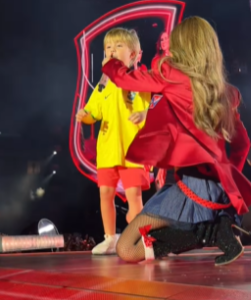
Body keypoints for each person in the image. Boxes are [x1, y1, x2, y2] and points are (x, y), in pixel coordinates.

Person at [102, 16, 251, 266]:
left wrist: (110, 63)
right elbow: (243, 145)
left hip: (190, 192)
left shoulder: (171, 75)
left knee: (127, 249)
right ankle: (216, 229)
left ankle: (215, 233)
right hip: (212, 193)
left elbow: (124, 80)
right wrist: (226, 181)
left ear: (182, 47)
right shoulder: (227, 93)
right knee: (139, 244)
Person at [76, 28, 151, 255]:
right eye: (108, 47)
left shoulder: (138, 80)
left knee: (133, 197)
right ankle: (110, 238)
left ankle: (145, 240)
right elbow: (93, 111)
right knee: (105, 194)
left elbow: (146, 109)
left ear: (133, 54)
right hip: (107, 150)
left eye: (118, 46)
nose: (112, 51)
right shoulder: (102, 85)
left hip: (131, 151)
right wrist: (85, 116)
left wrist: (143, 115)